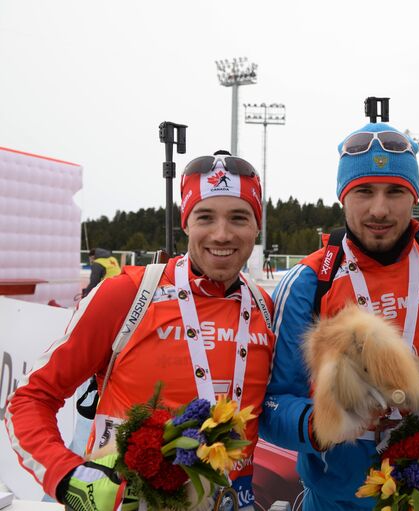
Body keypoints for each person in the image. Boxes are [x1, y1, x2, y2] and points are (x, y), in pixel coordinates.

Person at [5, 151, 275, 511]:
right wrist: (66, 475)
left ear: (257, 227)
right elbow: (29, 399)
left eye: (239, 218)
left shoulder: (263, 308)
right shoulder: (129, 294)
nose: (222, 234)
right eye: (205, 217)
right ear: (186, 224)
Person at [259, 122, 419, 511]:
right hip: (336, 501)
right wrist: (329, 420)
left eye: (395, 192)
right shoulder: (311, 281)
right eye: (363, 191)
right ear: (343, 197)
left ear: (413, 197)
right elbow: (273, 405)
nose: (379, 209)